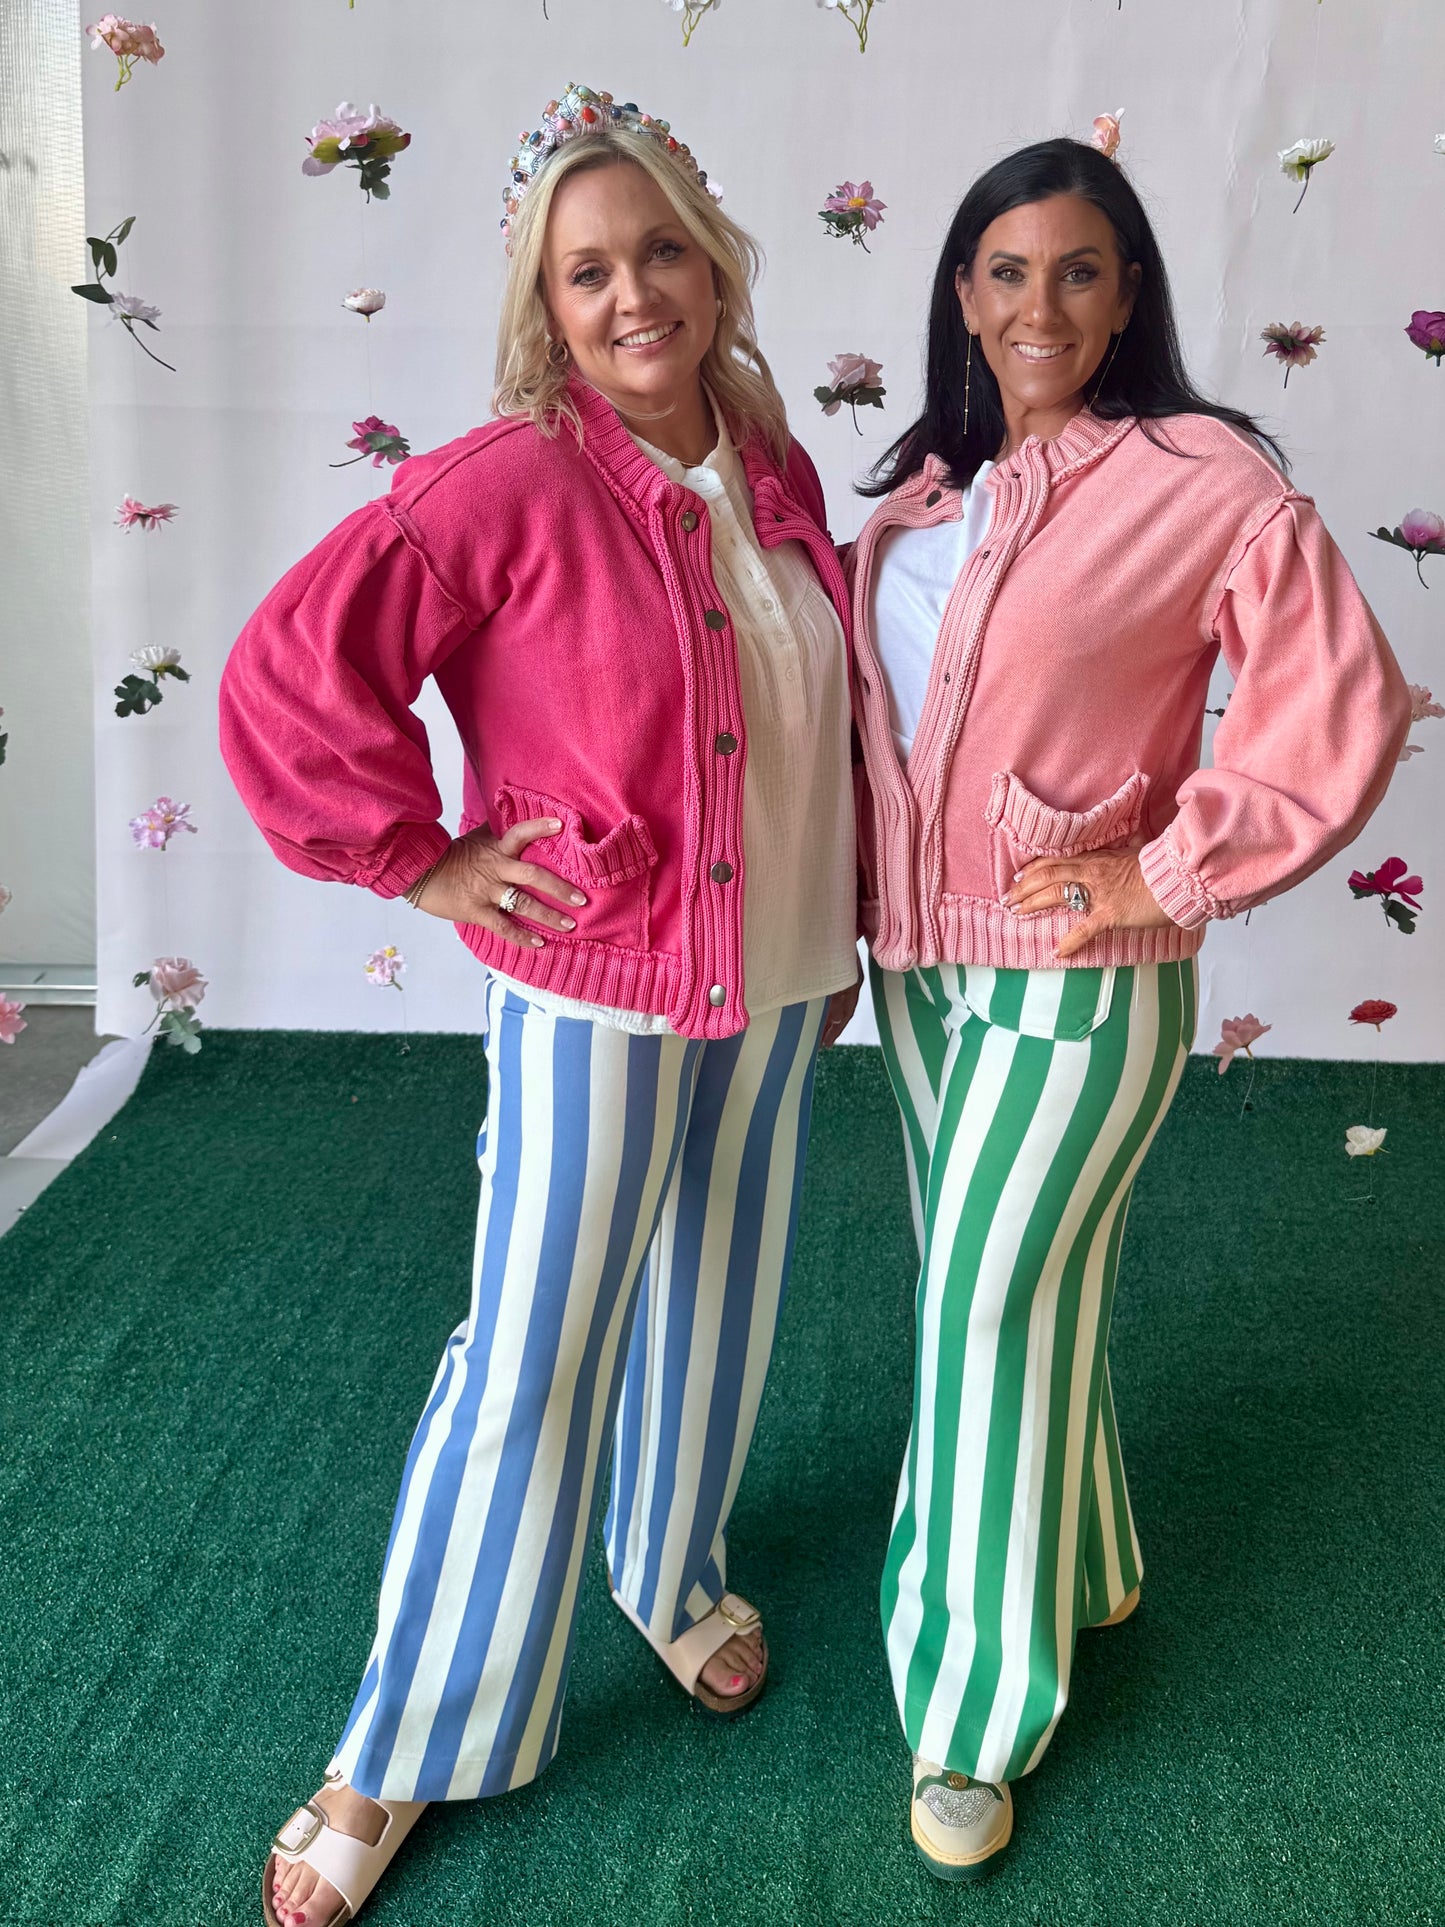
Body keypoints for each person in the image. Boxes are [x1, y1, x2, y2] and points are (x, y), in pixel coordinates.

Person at [220, 85, 860, 1927]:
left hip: (776, 974)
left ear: (716, 255)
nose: (634, 292)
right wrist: (419, 856)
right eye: (589, 270)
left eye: (660, 247)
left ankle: (668, 1571)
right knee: (527, 1358)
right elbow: (287, 677)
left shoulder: (767, 454)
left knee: (719, 1304)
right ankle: (402, 1745)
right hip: (594, 989)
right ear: (546, 301)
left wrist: (845, 931)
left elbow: (813, 714)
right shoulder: (502, 478)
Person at [846, 137, 1410, 1881]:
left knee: (974, 1312)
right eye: (1005, 273)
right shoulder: (919, 488)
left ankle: (966, 1710)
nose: (1039, 306)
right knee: (1015, 1289)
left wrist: (1158, 876)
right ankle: (1084, 1561)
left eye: (1078, 272)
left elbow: (1341, 705)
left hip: (1088, 985)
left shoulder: (1201, 474)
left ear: (1129, 295)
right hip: (922, 972)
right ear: (958, 292)